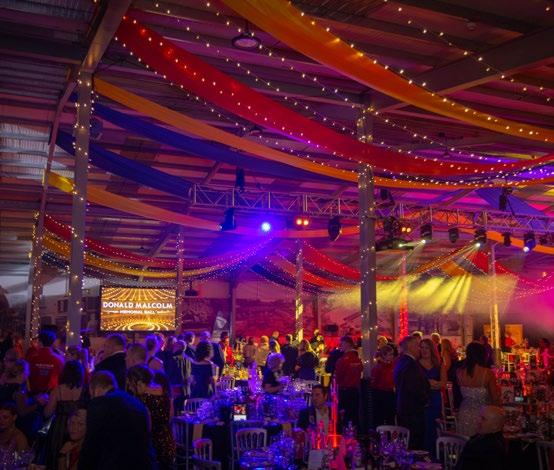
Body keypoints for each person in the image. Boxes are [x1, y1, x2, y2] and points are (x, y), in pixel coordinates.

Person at [78, 371, 156, 470]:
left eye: (91, 395)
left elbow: (91, 446)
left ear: (95, 389)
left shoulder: (99, 404)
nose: (92, 398)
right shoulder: (136, 403)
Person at [126, 366, 175, 469]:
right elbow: (170, 417)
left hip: (152, 448)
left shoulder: (141, 401)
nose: (129, 388)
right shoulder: (164, 393)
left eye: (130, 384)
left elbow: (145, 429)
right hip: (168, 443)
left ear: (139, 383)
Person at [43, 360, 89, 469]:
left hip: (59, 428)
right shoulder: (85, 390)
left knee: (56, 456)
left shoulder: (57, 390)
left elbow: (47, 413)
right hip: (78, 427)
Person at [457, 341, 501, 438]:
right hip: (483, 416)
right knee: (480, 443)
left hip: (464, 413)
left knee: (466, 442)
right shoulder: (487, 373)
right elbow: (495, 398)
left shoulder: (460, 373)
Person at [393, 336, 429, 450]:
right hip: (412, 411)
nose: (419, 349)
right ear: (410, 347)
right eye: (417, 346)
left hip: (404, 408)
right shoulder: (411, 364)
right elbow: (415, 388)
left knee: (407, 442)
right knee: (413, 444)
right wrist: (425, 400)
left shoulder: (401, 361)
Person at [455, 406, 506, 470]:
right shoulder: (485, 438)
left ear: (495, 425)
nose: (478, 421)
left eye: (483, 419)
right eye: (479, 417)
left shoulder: (488, 445)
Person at [419, 338, 446, 454]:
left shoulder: (439, 365)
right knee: (423, 427)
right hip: (422, 399)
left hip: (435, 399)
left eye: (427, 348)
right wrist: (427, 384)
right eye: (422, 347)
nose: (424, 350)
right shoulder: (416, 364)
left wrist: (435, 384)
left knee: (433, 427)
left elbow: (443, 383)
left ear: (432, 349)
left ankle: (433, 454)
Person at [334, 336, 363, 430]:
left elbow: (338, 377)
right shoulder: (358, 360)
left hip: (344, 391)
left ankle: (345, 434)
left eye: (342, 343)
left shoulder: (342, 360)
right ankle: (354, 434)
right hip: (355, 391)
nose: (340, 346)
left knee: (345, 416)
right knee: (354, 415)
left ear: (347, 344)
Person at [26, 329, 64, 395]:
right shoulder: (59, 359)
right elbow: (60, 378)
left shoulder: (32, 358)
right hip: (52, 395)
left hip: (34, 394)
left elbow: (27, 377)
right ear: (52, 342)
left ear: (40, 342)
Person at [370, 345, 396, 427]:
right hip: (380, 394)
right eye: (390, 354)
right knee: (379, 417)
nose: (392, 356)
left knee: (390, 417)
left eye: (392, 354)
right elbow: (373, 383)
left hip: (390, 393)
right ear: (384, 355)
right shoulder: (378, 367)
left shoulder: (393, 365)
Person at [441, 338, 462, 409]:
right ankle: (456, 404)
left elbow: (448, 365)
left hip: (450, 373)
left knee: (449, 389)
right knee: (455, 388)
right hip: (455, 372)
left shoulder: (445, 352)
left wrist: (443, 371)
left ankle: (451, 405)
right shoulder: (452, 351)